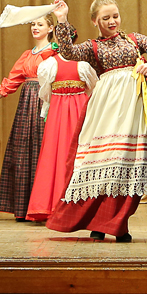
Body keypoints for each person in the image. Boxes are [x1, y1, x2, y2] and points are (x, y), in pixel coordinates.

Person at [45, 0, 147, 242]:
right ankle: (98, 221)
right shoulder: (92, 47)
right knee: (101, 161)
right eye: (106, 18)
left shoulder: (134, 40)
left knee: (127, 163)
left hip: (133, 110)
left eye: (115, 16)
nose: (112, 21)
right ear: (94, 21)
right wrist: (62, 19)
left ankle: (117, 223)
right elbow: (68, 51)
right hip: (106, 109)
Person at [0, 15, 59, 221]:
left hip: (46, 103)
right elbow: (10, 83)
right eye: (33, 24)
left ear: (50, 28)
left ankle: (45, 207)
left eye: (40, 24)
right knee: (23, 152)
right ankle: (24, 207)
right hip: (26, 106)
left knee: (44, 150)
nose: (35, 27)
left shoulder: (55, 51)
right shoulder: (27, 55)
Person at [25, 53, 97, 221]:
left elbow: (93, 88)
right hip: (60, 112)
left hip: (74, 111)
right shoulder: (50, 64)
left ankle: (80, 205)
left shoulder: (82, 65)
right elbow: (92, 88)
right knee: (55, 154)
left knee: (79, 153)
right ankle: (54, 204)